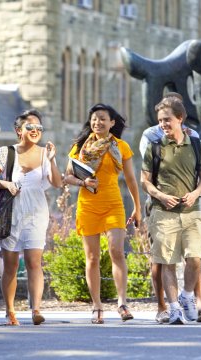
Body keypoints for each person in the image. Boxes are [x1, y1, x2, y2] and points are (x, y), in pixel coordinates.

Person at [139, 93, 201, 324]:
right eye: (160, 120)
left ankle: (186, 297)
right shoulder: (154, 146)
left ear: (180, 118)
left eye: (167, 119)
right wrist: (161, 196)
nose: (163, 124)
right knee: (167, 262)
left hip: (192, 212)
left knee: (195, 259)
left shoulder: (196, 144)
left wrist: (195, 193)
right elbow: (145, 181)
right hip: (163, 213)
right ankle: (173, 308)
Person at [64, 103, 141, 324]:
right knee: (92, 257)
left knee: (116, 251)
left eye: (102, 119)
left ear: (112, 123)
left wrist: (136, 207)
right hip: (87, 205)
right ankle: (97, 306)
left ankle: (122, 303)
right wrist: (83, 182)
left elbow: (131, 179)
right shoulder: (80, 147)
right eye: (94, 119)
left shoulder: (121, 146)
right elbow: (66, 177)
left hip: (113, 204)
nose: (97, 122)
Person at [0, 109, 62, 326]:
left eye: (39, 127)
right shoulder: (5, 152)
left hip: (36, 212)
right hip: (10, 213)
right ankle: (10, 311)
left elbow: (57, 183)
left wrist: (53, 161)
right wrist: (5, 183)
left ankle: (36, 309)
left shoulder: (46, 154)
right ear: (19, 131)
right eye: (30, 127)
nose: (36, 130)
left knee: (34, 262)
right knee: (10, 265)